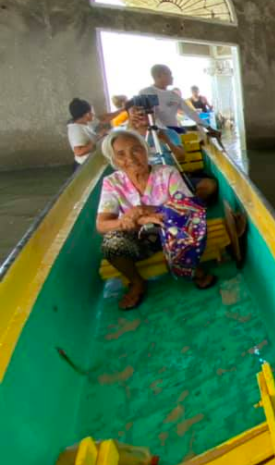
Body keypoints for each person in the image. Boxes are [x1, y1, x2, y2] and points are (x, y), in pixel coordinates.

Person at [97, 129, 216, 310]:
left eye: (136, 149)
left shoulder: (167, 173)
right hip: (138, 239)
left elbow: (188, 208)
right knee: (111, 242)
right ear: (114, 160)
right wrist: (133, 221)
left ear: (146, 150)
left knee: (183, 220)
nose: (131, 158)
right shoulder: (112, 182)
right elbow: (102, 224)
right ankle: (137, 282)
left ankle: (187, 265)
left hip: (171, 234)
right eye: (121, 154)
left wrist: (144, 210)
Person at [126, 101, 218, 204]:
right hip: (143, 182)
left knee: (209, 185)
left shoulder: (169, 133)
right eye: (136, 112)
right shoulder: (127, 138)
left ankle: (190, 206)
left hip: (172, 178)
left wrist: (167, 141)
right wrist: (130, 130)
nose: (141, 115)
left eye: (144, 111)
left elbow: (181, 157)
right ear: (129, 116)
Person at [139, 65, 221, 140]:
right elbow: (149, 117)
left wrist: (209, 128)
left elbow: (190, 112)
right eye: (169, 74)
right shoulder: (147, 92)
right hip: (157, 135)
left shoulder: (173, 95)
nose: (172, 77)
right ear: (158, 76)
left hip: (173, 133)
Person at [67, 98, 122, 167]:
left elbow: (104, 118)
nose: (93, 113)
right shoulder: (76, 129)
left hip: (92, 160)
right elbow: (79, 152)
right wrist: (99, 138)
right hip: (84, 165)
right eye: (91, 111)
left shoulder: (84, 121)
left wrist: (122, 110)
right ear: (87, 114)